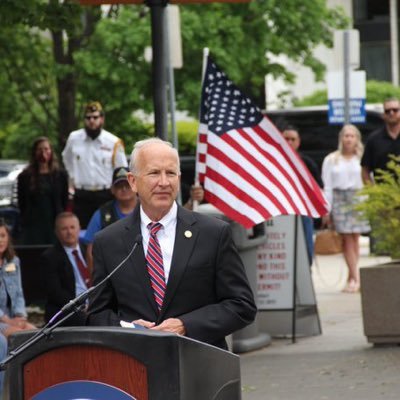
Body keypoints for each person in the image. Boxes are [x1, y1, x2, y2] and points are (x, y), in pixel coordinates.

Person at [87, 138, 257, 349]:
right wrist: (127, 328)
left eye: (170, 173)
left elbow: (242, 305)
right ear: (132, 181)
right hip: (135, 365)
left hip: (199, 363)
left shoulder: (212, 233)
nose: (164, 182)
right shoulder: (108, 241)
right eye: (154, 173)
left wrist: (186, 325)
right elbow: (97, 314)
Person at [62, 101, 128, 228]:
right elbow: (67, 158)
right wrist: (73, 177)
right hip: (82, 194)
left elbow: (121, 171)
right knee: (83, 232)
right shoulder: (74, 138)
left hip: (105, 194)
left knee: (108, 231)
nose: (92, 121)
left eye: (95, 117)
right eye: (88, 118)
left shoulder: (113, 142)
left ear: (102, 119)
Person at [322, 125, 370, 293]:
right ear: (341, 138)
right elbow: (327, 185)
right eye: (346, 136)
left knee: (355, 239)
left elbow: (367, 180)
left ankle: (352, 277)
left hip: (358, 199)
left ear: (357, 139)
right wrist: (327, 209)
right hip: (339, 199)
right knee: (347, 240)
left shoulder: (362, 158)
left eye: (352, 136)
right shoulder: (331, 159)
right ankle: (356, 278)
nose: (349, 139)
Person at [282, 126, 323, 264]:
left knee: (306, 246)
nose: (289, 142)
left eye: (292, 139)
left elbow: (318, 188)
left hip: (304, 211)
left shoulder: (307, 163)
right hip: (282, 212)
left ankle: (307, 273)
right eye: (286, 139)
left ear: (298, 142)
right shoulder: (272, 163)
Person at [83, 167, 137, 270]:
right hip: (112, 272)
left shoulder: (148, 209)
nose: (124, 189)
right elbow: (91, 251)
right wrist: (97, 281)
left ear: (135, 185)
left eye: (127, 185)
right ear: (112, 190)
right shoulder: (102, 214)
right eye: (119, 186)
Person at [41, 212, 90, 326]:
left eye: (72, 227)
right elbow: (55, 293)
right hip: (68, 309)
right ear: (57, 232)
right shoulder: (49, 257)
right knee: (89, 320)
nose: (69, 232)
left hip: (94, 303)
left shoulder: (89, 250)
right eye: (64, 229)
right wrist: (81, 306)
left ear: (79, 229)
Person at [17, 136, 68, 245]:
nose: (43, 152)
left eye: (46, 149)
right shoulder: (25, 176)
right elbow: (21, 202)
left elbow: (64, 200)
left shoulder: (60, 175)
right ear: (34, 152)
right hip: (33, 223)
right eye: (40, 149)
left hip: (53, 221)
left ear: (51, 151)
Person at [0, 219, 36, 338]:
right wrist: (8, 321)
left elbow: (19, 293)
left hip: (12, 318)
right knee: (22, 336)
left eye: (3, 235)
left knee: (38, 335)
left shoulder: (13, 261)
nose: (0, 240)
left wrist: (21, 316)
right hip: (2, 320)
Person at [361, 97, 400, 184]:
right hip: (382, 194)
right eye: (387, 111)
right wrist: (373, 193)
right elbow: (365, 170)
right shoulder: (373, 139)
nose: (391, 113)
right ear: (383, 115)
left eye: (395, 110)